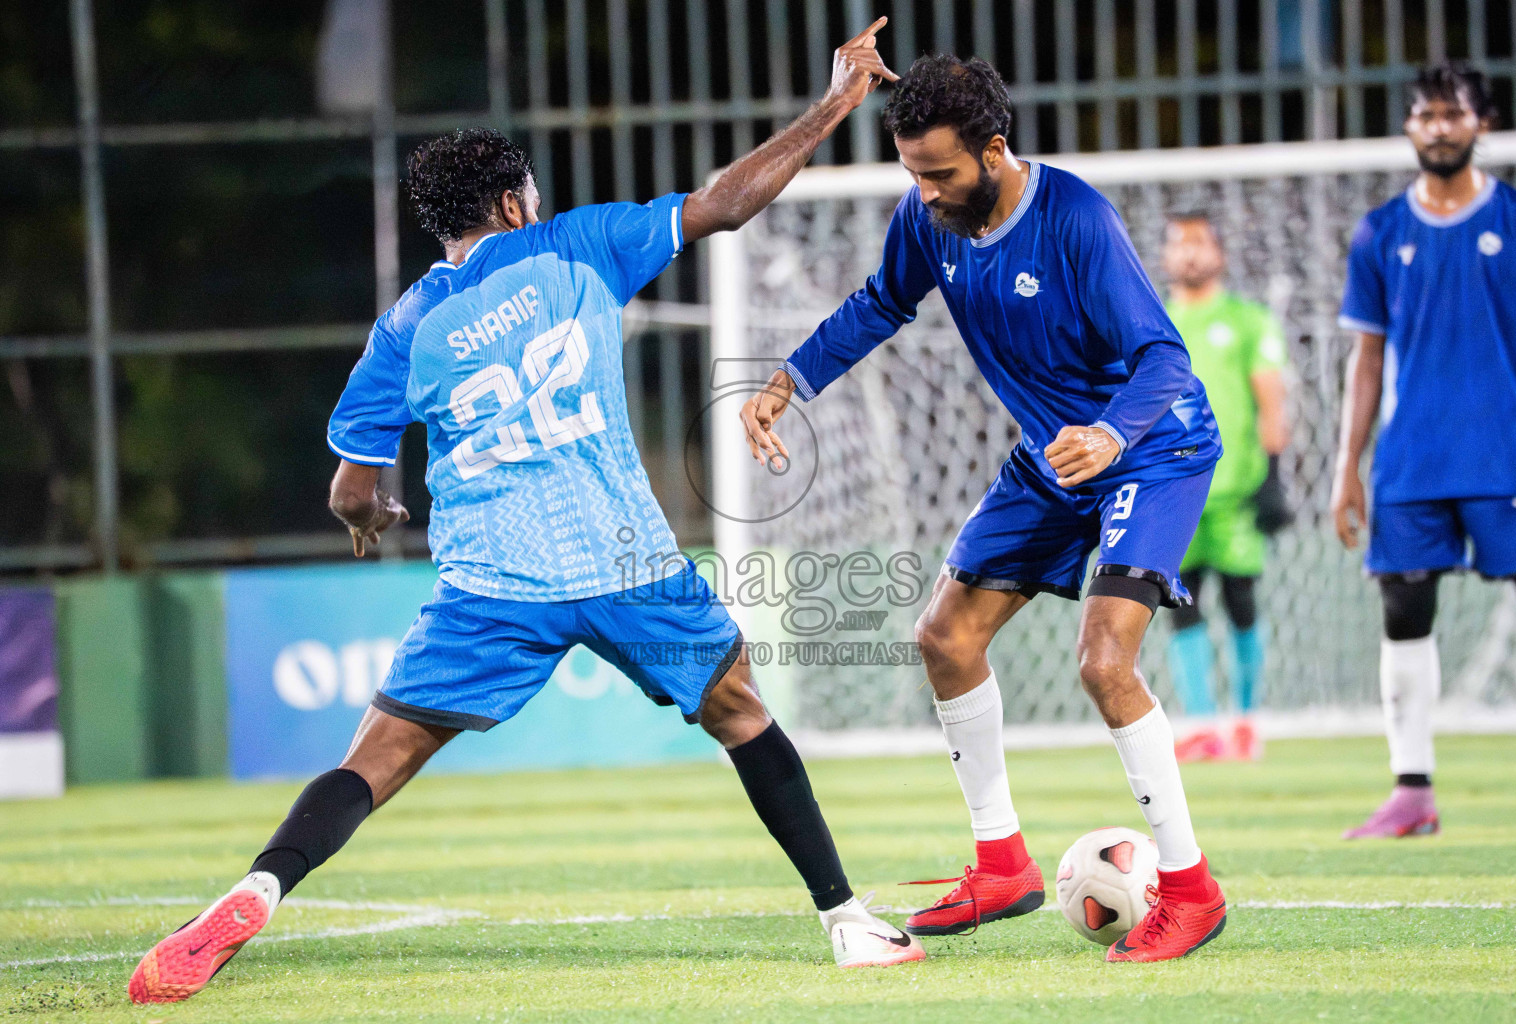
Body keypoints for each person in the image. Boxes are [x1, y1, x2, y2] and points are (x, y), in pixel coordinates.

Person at [129, 21, 922, 1006]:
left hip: (490, 580)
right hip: (624, 559)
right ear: (513, 203)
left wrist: (372, 517)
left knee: (374, 759)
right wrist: (835, 104)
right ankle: (847, 922)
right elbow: (725, 203)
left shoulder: (403, 329)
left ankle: (257, 887)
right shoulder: (577, 245)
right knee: (742, 715)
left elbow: (351, 489)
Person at [741, 54, 1227, 963]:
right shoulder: (927, 219)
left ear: (994, 151)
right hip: (1052, 459)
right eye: (912, 173)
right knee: (945, 637)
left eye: (938, 173)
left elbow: (1165, 357)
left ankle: (1192, 890)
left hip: (1150, 449)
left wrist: (1111, 436)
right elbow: (881, 302)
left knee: (1104, 661)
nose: (923, 193)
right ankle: (1002, 864)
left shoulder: (1076, 218)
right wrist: (789, 380)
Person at [1332, 62, 1516, 839]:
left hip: (1509, 454)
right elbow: (1367, 359)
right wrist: (1348, 468)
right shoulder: (1381, 232)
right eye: (1427, 114)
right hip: (1410, 463)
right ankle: (1412, 791)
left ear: (1483, 124)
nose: (1440, 127)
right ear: (1409, 127)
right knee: (1404, 608)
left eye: (1455, 114)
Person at [1160, 213, 1291, 762]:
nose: (1190, 254)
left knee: (1241, 600)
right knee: (1177, 602)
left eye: (1200, 243)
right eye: (1179, 244)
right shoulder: (1154, 322)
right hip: (1170, 492)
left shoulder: (1248, 320)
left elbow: (1271, 399)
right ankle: (1200, 725)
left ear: (1220, 253)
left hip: (1236, 490)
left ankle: (1245, 721)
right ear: (1165, 256)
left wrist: (1275, 476)